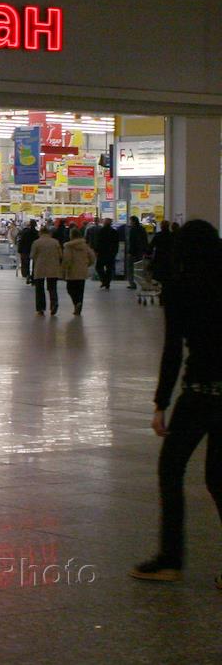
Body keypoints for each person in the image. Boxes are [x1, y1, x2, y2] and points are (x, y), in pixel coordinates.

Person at [131, 220, 222, 585]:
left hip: (200, 393)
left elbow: (172, 351)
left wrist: (161, 403)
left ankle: (170, 558)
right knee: (218, 478)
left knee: (171, 469)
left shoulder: (182, 287)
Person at [61, 228, 95, 316]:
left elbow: (67, 259)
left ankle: (76, 303)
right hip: (82, 270)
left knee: (70, 289)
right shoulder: (85, 246)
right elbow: (92, 257)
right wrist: (87, 264)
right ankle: (79, 306)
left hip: (72, 271)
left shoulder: (69, 246)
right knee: (80, 291)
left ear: (71, 235)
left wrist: (64, 269)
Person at [30, 226, 62, 316]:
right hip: (53, 267)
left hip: (40, 267)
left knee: (39, 288)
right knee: (52, 288)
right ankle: (54, 303)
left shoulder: (36, 242)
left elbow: (32, 255)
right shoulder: (55, 242)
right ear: (49, 233)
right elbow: (60, 255)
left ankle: (40, 308)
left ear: (40, 233)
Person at [150, 219, 175, 294]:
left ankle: (161, 290)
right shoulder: (172, 236)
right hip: (169, 258)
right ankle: (165, 290)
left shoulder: (158, 235)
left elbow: (151, 246)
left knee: (159, 275)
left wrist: (148, 253)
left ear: (161, 227)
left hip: (159, 258)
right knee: (167, 276)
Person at [95, 217, 120, 289]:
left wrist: (96, 251)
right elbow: (116, 243)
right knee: (109, 269)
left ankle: (104, 280)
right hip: (111, 253)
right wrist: (115, 252)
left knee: (98, 267)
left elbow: (98, 242)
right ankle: (107, 282)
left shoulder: (101, 231)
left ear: (105, 223)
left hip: (102, 253)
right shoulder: (114, 231)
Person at [127, 215, 150, 289]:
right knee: (140, 268)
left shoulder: (132, 230)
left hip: (133, 252)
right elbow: (145, 240)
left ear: (133, 221)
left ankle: (132, 284)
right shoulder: (142, 229)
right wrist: (145, 250)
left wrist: (130, 252)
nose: (130, 222)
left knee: (130, 268)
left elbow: (132, 242)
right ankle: (142, 283)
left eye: (130, 221)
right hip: (140, 252)